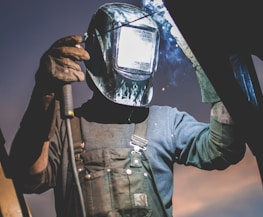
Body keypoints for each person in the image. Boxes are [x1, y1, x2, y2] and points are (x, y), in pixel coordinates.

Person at [9, 3, 246, 217]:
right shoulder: (65, 130)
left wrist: (211, 65)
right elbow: (28, 177)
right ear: (99, 52)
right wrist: (45, 95)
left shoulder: (165, 121)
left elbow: (223, 150)